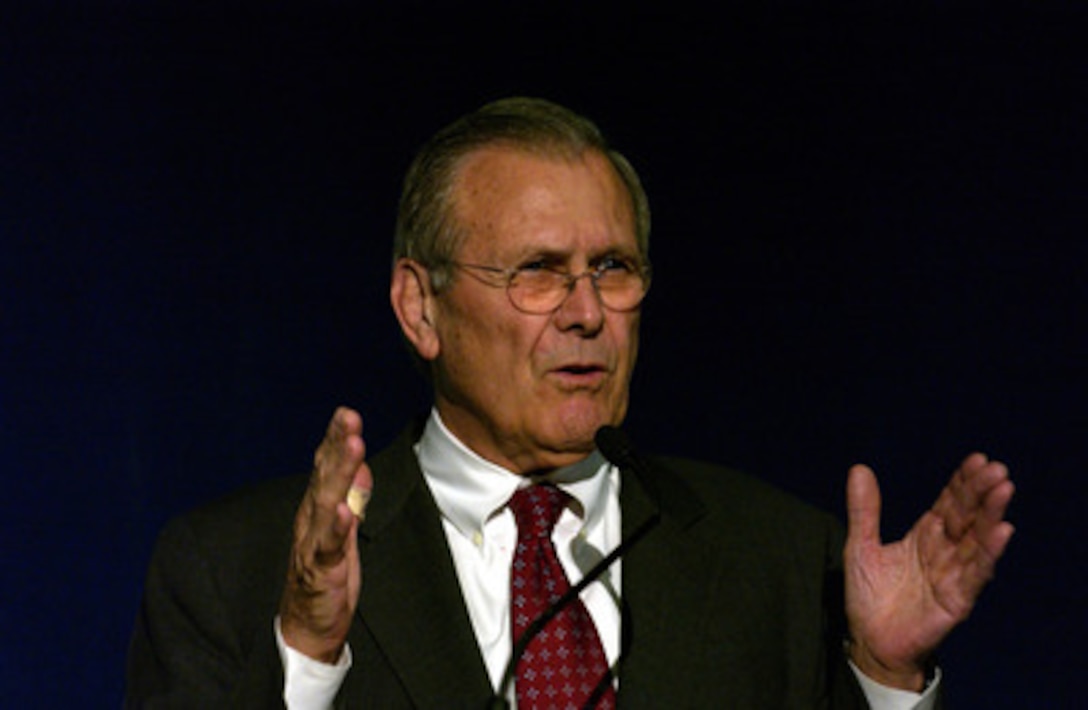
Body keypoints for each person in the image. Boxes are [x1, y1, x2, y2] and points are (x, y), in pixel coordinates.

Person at [125, 97, 1015, 709]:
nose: (587, 313)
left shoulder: (783, 561)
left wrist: (885, 674)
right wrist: (309, 658)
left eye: (614, 270)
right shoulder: (234, 570)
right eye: (539, 273)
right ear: (419, 308)